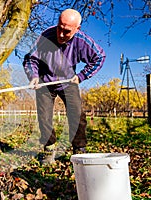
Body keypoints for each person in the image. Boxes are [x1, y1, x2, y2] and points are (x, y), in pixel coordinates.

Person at [23, 8, 106, 163]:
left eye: (66, 31)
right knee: (44, 117)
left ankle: (79, 149)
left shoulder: (82, 41)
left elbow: (99, 57)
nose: (60, 34)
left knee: (77, 115)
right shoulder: (45, 37)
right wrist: (33, 76)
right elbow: (30, 59)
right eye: (59, 28)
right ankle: (49, 149)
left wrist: (81, 76)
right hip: (45, 81)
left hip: (68, 81)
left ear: (77, 29)